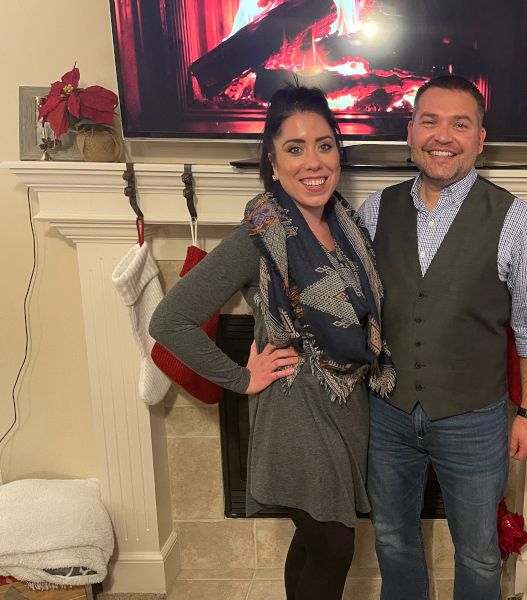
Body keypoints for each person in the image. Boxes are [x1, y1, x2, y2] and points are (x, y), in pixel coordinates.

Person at [149, 85, 394, 600]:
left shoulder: (347, 226)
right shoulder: (259, 235)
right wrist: (242, 378)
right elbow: (170, 320)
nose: (314, 162)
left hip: (348, 405)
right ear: (273, 161)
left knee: (314, 538)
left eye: (324, 145)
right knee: (333, 544)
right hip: (295, 410)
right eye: (295, 148)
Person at [357, 75, 527, 600]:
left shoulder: (517, 221)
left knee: (478, 553)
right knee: (392, 539)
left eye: (460, 124)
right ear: (410, 132)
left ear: (479, 139)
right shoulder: (374, 211)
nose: (442, 136)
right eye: (430, 121)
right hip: (387, 413)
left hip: (474, 419)